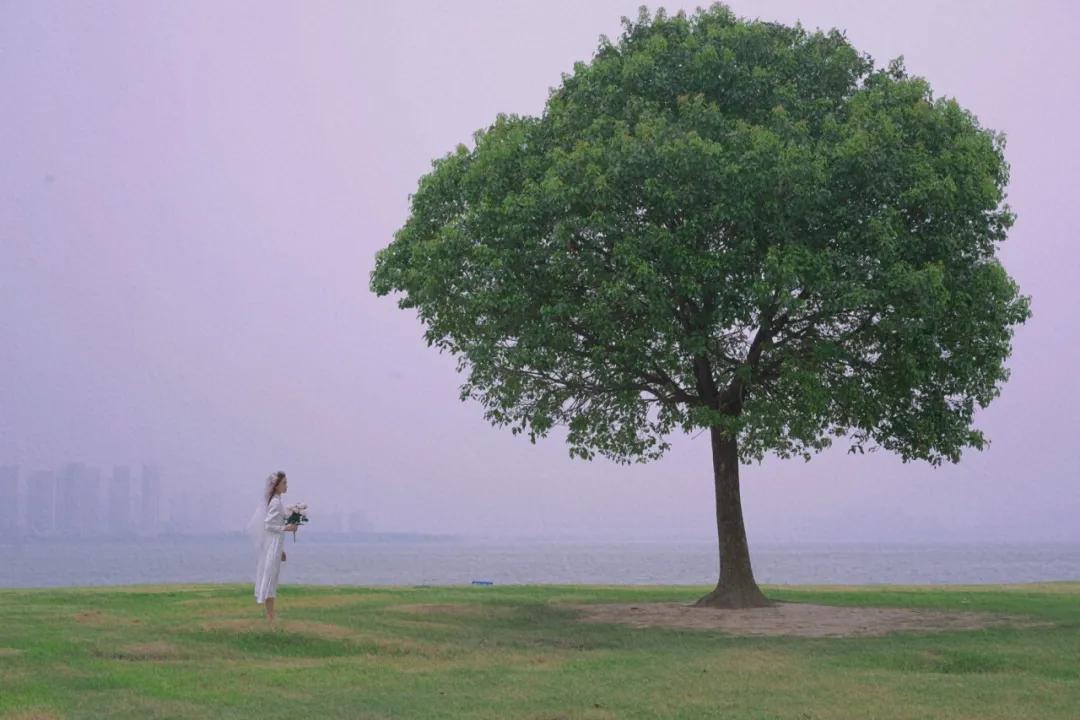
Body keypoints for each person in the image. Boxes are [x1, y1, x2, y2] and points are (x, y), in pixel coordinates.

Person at [251, 471, 298, 621]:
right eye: (284, 483)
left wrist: (281, 550)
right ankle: (270, 617)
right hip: (273, 544)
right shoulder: (275, 502)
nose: (287, 485)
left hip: (275, 544)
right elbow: (269, 525)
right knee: (270, 579)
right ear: (276, 485)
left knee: (272, 578)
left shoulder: (277, 501)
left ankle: (271, 615)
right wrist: (287, 528)